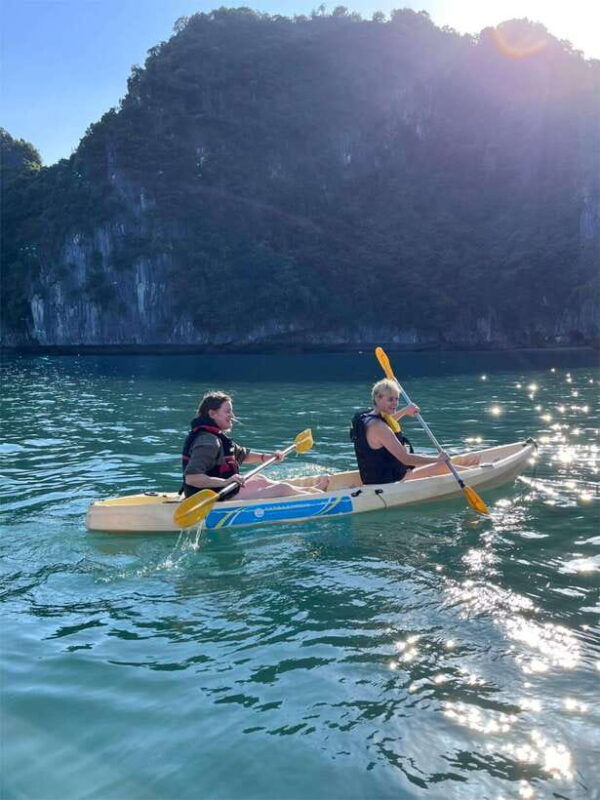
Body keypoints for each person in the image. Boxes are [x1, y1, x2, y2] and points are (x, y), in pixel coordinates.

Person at [181, 391, 328, 500]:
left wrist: (267, 457)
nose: (232, 416)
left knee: (260, 479)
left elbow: (242, 455)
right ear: (212, 414)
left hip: (223, 489)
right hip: (210, 497)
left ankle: (309, 490)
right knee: (281, 489)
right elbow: (192, 478)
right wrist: (226, 481)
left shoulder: (216, 437)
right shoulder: (207, 441)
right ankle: (318, 498)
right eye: (227, 411)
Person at [350, 378, 479, 485]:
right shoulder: (379, 427)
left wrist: (405, 411)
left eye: (397, 399)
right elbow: (405, 459)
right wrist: (437, 459)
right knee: (442, 466)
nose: (395, 403)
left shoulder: (367, 418)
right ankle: (476, 473)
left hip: (375, 477)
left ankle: (467, 468)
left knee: (428, 460)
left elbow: (389, 423)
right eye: (390, 399)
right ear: (378, 398)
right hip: (389, 483)